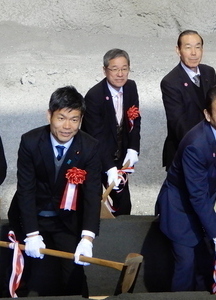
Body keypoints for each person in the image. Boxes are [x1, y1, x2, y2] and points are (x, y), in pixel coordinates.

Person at [7, 86, 102, 297]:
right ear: (49, 115)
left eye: (74, 119)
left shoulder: (90, 147)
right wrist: (31, 234)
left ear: (81, 119)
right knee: (26, 273)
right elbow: (26, 190)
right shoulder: (30, 142)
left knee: (74, 273)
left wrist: (87, 238)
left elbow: (92, 194)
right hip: (30, 217)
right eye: (61, 118)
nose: (67, 126)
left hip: (66, 220)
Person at [156, 85, 216, 292]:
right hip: (180, 209)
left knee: (205, 263)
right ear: (208, 115)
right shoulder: (196, 144)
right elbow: (196, 196)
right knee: (186, 264)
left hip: (204, 203)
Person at [82, 48, 141, 216]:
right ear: (105, 70)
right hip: (95, 158)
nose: (120, 74)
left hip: (119, 156)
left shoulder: (130, 87)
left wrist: (133, 148)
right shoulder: (94, 96)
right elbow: (96, 137)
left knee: (123, 205)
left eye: (124, 68)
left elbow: (134, 119)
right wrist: (109, 168)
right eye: (114, 69)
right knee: (94, 204)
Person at [161, 29, 216, 170]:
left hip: (211, 149)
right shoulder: (170, 82)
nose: (194, 53)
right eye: (188, 47)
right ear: (178, 50)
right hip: (185, 152)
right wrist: (202, 147)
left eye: (198, 47)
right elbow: (178, 123)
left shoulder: (208, 72)